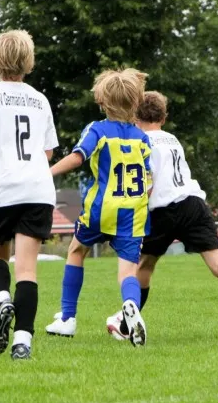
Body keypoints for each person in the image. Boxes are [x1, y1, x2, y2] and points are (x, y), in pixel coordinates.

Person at [101, 91, 218, 341]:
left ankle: (127, 325)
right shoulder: (173, 139)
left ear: (135, 117)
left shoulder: (140, 141)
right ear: (163, 118)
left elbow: (147, 183)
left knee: (144, 265)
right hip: (194, 204)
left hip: (162, 209)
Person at [0, 30, 59, 360]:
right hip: (37, 189)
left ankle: (3, 301)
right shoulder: (40, 99)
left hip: (1, 190)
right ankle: (22, 344)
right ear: (28, 61)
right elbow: (48, 152)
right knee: (27, 271)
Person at [45, 68, 151, 347]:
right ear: (135, 102)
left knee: (76, 251)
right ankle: (130, 306)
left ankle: (67, 319)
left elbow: (78, 157)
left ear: (102, 101)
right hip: (133, 212)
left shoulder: (97, 129)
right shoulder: (142, 138)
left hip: (101, 209)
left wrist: (47, 173)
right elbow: (149, 178)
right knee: (128, 272)